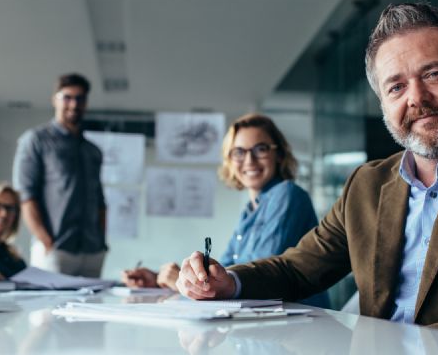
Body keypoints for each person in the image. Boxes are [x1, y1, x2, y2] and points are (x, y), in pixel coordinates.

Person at [175, 3, 438, 346]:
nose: (416, 98)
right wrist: (230, 281)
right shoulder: (366, 185)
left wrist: (416, 345)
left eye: (435, 74)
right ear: (382, 102)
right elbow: (297, 269)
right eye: (396, 87)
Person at [122, 113, 330, 308]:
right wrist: (165, 279)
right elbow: (225, 271)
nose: (249, 160)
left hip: (299, 327)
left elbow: (258, 274)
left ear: (279, 154)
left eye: (261, 149)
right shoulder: (250, 209)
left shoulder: (287, 194)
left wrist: (182, 279)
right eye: (239, 152)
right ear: (229, 160)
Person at [13, 73, 107, 278]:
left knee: (92, 309)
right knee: (48, 310)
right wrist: (46, 241)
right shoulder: (35, 140)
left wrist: (102, 241)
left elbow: (100, 201)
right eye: (67, 97)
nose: (74, 104)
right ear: (54, 99)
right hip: (56, 250)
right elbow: (26, 196)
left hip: (93, 251)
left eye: (80, 98)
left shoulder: (93, 150)